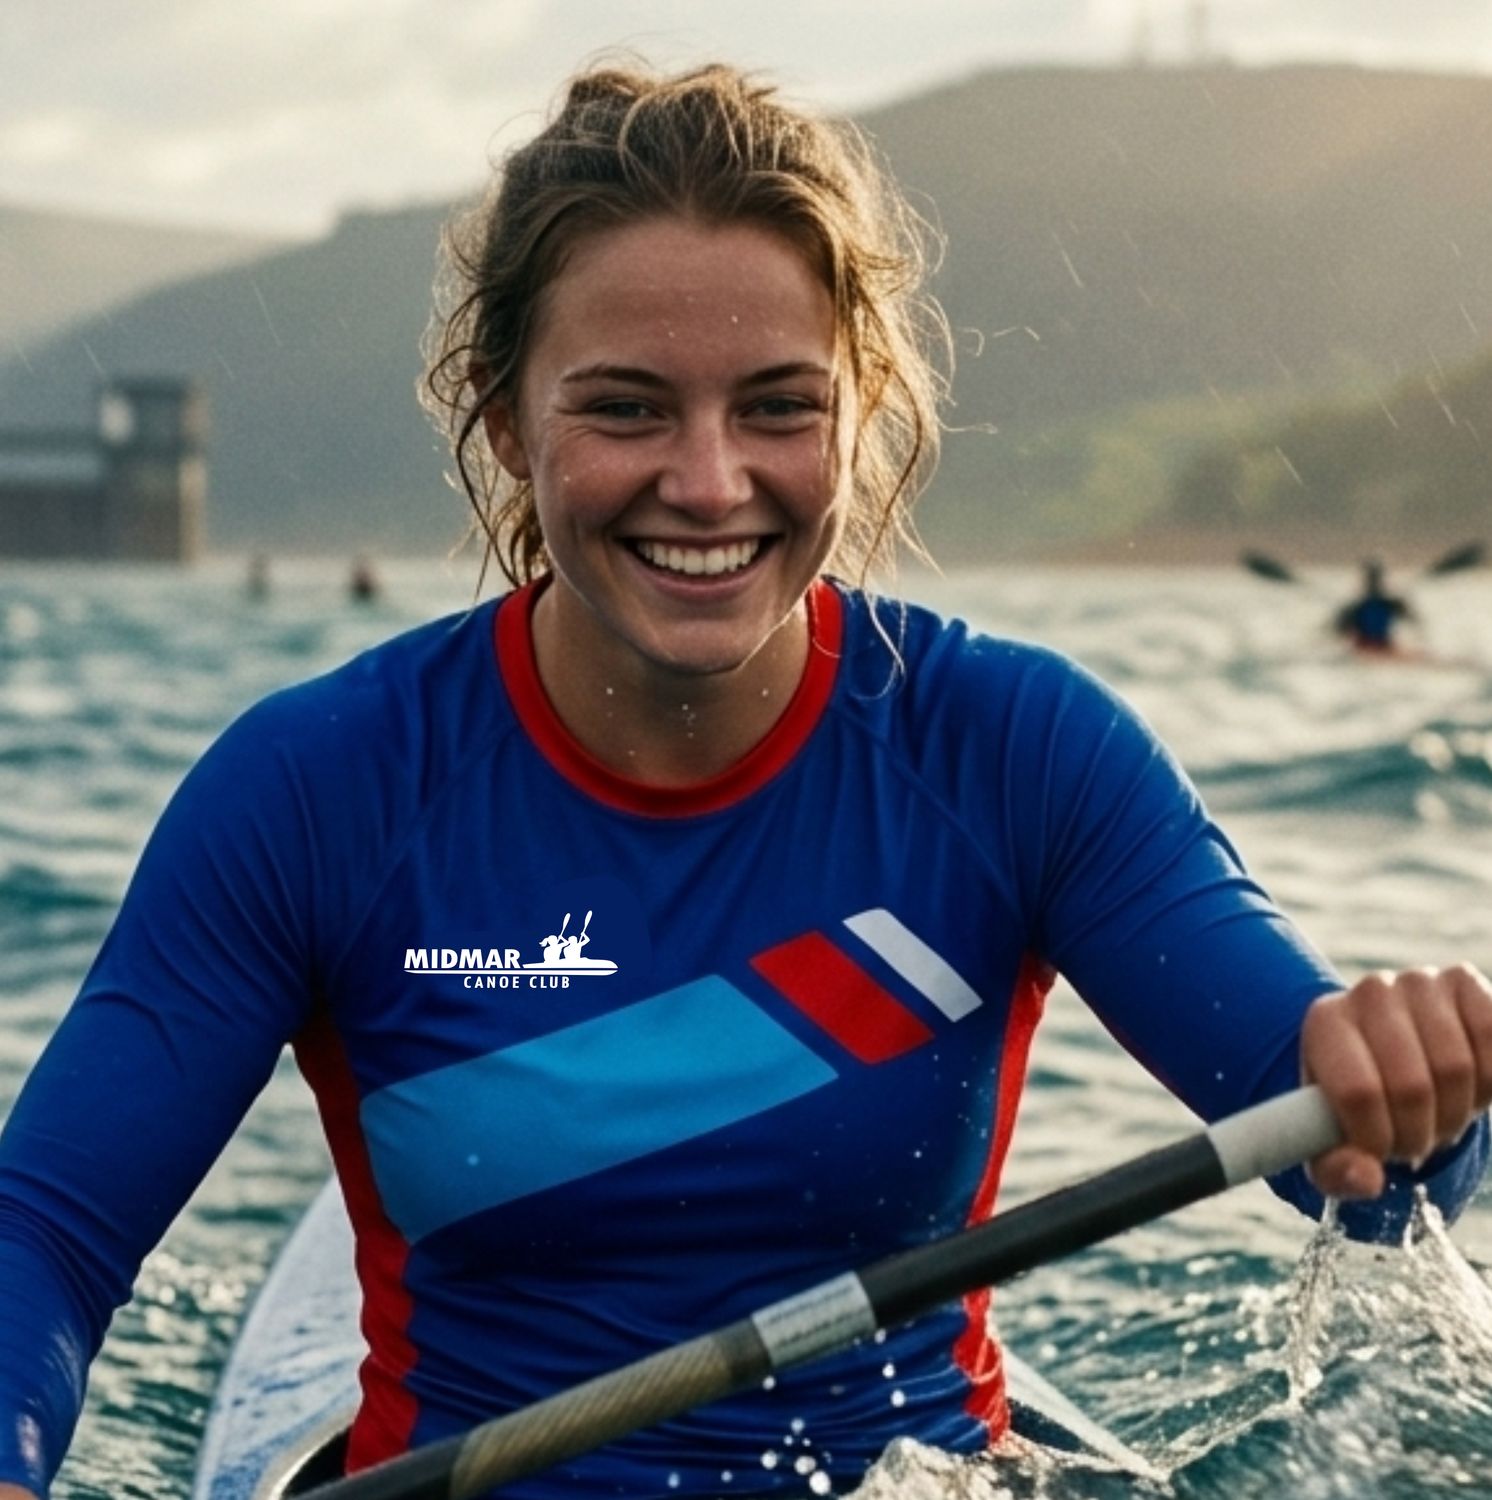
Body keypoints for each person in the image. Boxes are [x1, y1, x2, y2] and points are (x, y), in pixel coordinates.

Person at [1, 61, 1490, 1500]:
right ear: (506, 418)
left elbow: (1367, 1173)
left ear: (861, 408)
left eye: (779, 406)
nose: (711, 483)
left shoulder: (1015, 751)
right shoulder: (318, 790)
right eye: (628, 408)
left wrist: (1407, 1088)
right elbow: (47, 1236)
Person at [1333, 557, 1415, 652]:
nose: (1374, 582)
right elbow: (1340, 629)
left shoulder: (1389, 604)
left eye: (1375, 578)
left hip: (1380, 644)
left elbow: (1410, 618)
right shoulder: (1357, 606)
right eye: (1373, 578)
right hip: (1366, 645)